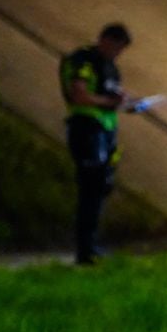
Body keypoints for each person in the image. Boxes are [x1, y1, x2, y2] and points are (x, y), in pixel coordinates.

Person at [60, 23, 133, 265]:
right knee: (91, 187)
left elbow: (111, 95)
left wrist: (123, 101)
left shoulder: (111, 68)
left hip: (106, 130)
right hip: (87, 128)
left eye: (120, 50)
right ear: (104, 40)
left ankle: (91, 247)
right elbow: (79, 94)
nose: (116, 54)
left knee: (101, 187)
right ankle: (85, 251)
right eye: (115, 47)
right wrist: (107, 102)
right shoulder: (84, 60)